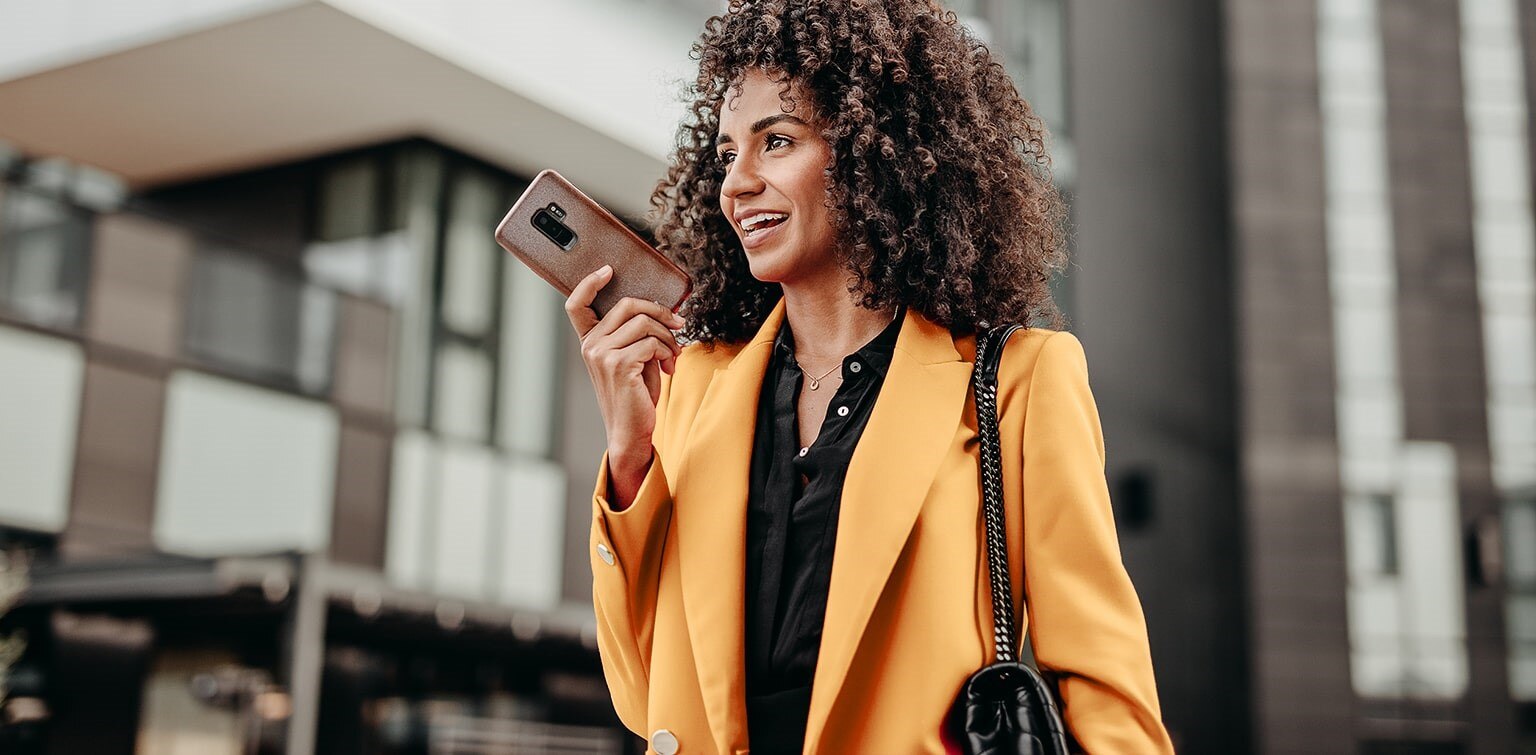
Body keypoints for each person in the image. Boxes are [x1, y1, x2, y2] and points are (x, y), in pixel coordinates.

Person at [563, 1, 1174, 752]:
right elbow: (640, 694)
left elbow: (1113, 706)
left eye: (775, 142)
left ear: (871, 151)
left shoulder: (1020, 383)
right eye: (727, 155)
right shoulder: (698, 388)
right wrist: (630, 460)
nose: (736, 184)